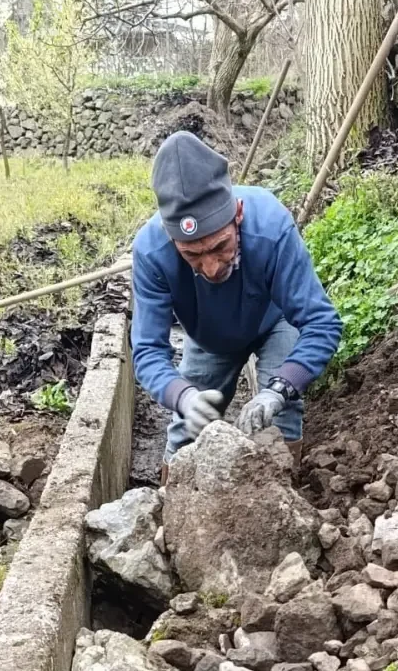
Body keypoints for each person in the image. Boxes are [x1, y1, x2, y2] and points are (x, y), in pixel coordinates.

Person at [131, 130, 342, 476]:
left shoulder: (271, 226)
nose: (211, 267)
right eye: (192, 255)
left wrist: (279, 388)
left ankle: (283, 501)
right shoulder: (152, 252)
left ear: (238, 214)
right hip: (209, 338)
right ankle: (169, 510)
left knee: (278, 419)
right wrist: (182, 396)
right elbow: (147, 351)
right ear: (172, 238)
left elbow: (322, 323)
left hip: (276, 320)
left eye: (219, 246)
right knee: (187, 429)